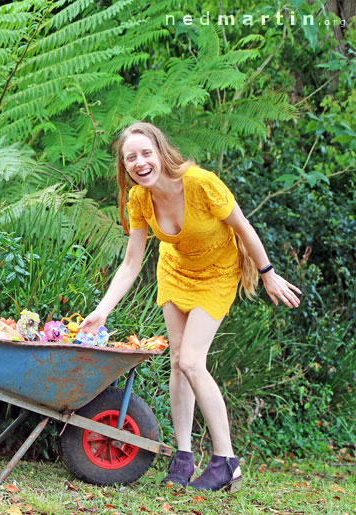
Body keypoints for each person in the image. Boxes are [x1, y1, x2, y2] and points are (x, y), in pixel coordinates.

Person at [79, 122, 301, 492]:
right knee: (178, 362)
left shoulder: (200, 183)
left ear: (161, 153)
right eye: (130, 157)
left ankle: (226, 462)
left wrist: (268, 273)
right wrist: (103, 309)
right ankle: (183, 457)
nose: (139, 162)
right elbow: (132, 262)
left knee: (192, 362)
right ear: (124, 166)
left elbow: (242, 226)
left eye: (146, 153)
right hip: (176, 271)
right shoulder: (138, 199)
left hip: (217, 272)